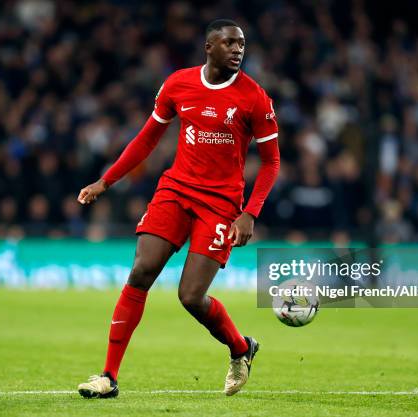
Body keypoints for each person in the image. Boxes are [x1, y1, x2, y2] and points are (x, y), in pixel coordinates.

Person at [76, 19, 280, 398]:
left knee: (190, 297)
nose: (238, 50)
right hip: (175, 189)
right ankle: (108, 376)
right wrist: (106, 180)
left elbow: (270, 162)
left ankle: (240, 348)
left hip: (220, 203)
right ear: (209, 47)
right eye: (229, 43)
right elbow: (148, 137)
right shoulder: (178, 84)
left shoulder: (254, 98)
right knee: (141, 271)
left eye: (242, 45)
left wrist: (250, 212)